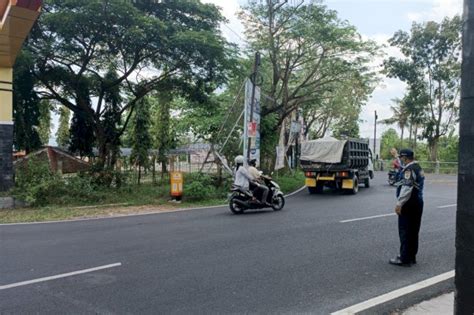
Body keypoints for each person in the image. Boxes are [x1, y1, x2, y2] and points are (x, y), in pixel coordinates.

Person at [389, 148, 425, 267]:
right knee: (414, 231)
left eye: (401, 157)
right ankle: (411, 256)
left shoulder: (409, 170)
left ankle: (404, 258)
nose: (401, 159)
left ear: (405, 158)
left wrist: (399, 204)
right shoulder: (418, 167)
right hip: (418, 202)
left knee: (405, 231)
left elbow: (406, 188)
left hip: (409, 204)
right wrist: (395, 156)